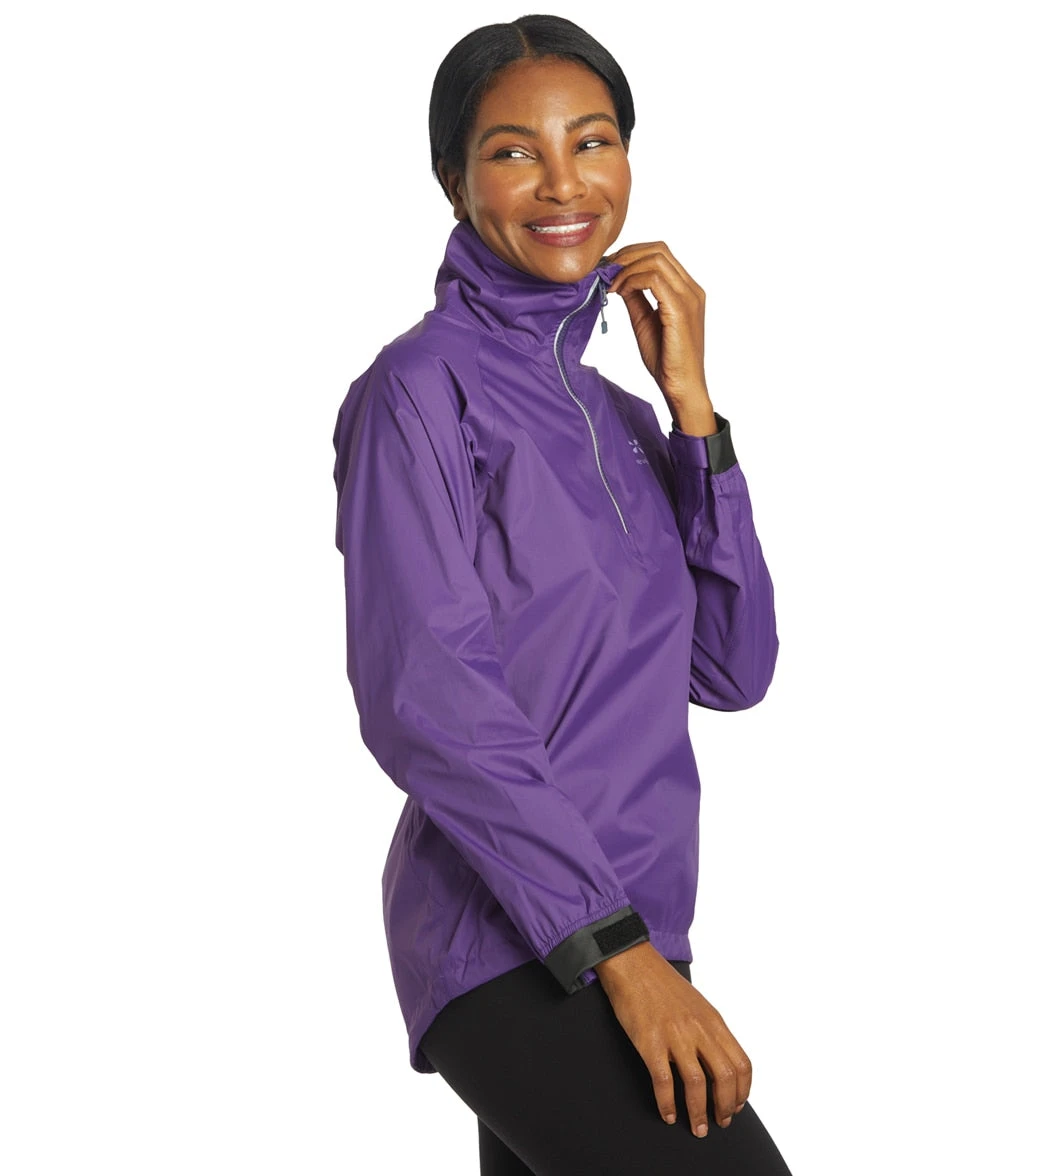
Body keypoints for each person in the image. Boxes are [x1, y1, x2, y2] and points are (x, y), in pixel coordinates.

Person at [332, 14, 791, 1174]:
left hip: (636, 927)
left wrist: (693, 412)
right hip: (519, 940)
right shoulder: (417, 394)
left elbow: (732, 668)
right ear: (453, 180)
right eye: (513, 151)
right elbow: (426, 701)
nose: (562, 182)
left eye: (591, 142)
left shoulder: (623, 418)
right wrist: (613, 952)